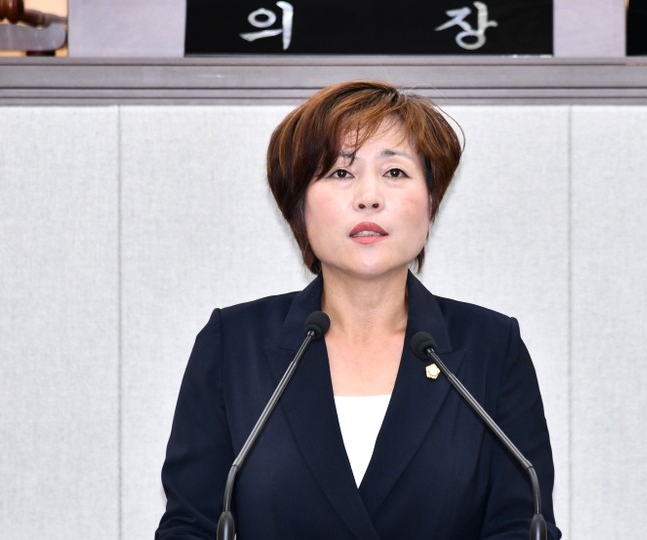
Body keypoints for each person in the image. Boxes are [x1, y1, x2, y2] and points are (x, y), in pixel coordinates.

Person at [155, 80, 561, 539]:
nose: (369, 196)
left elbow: (521, 524)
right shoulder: (233, 345)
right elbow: (191, 525)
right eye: (340, 173)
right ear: (299, 207)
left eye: (395, 172)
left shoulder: (490, 348)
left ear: (431, 202)